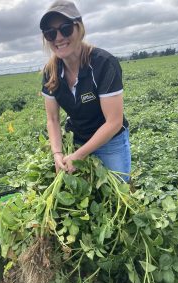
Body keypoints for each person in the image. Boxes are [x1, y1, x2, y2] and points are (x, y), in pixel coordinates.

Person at [40, 0, 131, 182]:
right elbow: (53, 119)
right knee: (85, 195)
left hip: (110, 142)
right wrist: (57, 153)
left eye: (65, 29)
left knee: (120, 189)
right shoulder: (51, 72)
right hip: (77, 139)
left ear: (79, 28)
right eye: (50, 33)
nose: (58, 38)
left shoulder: (103, 63)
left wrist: (79, 155)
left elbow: (114, 122)